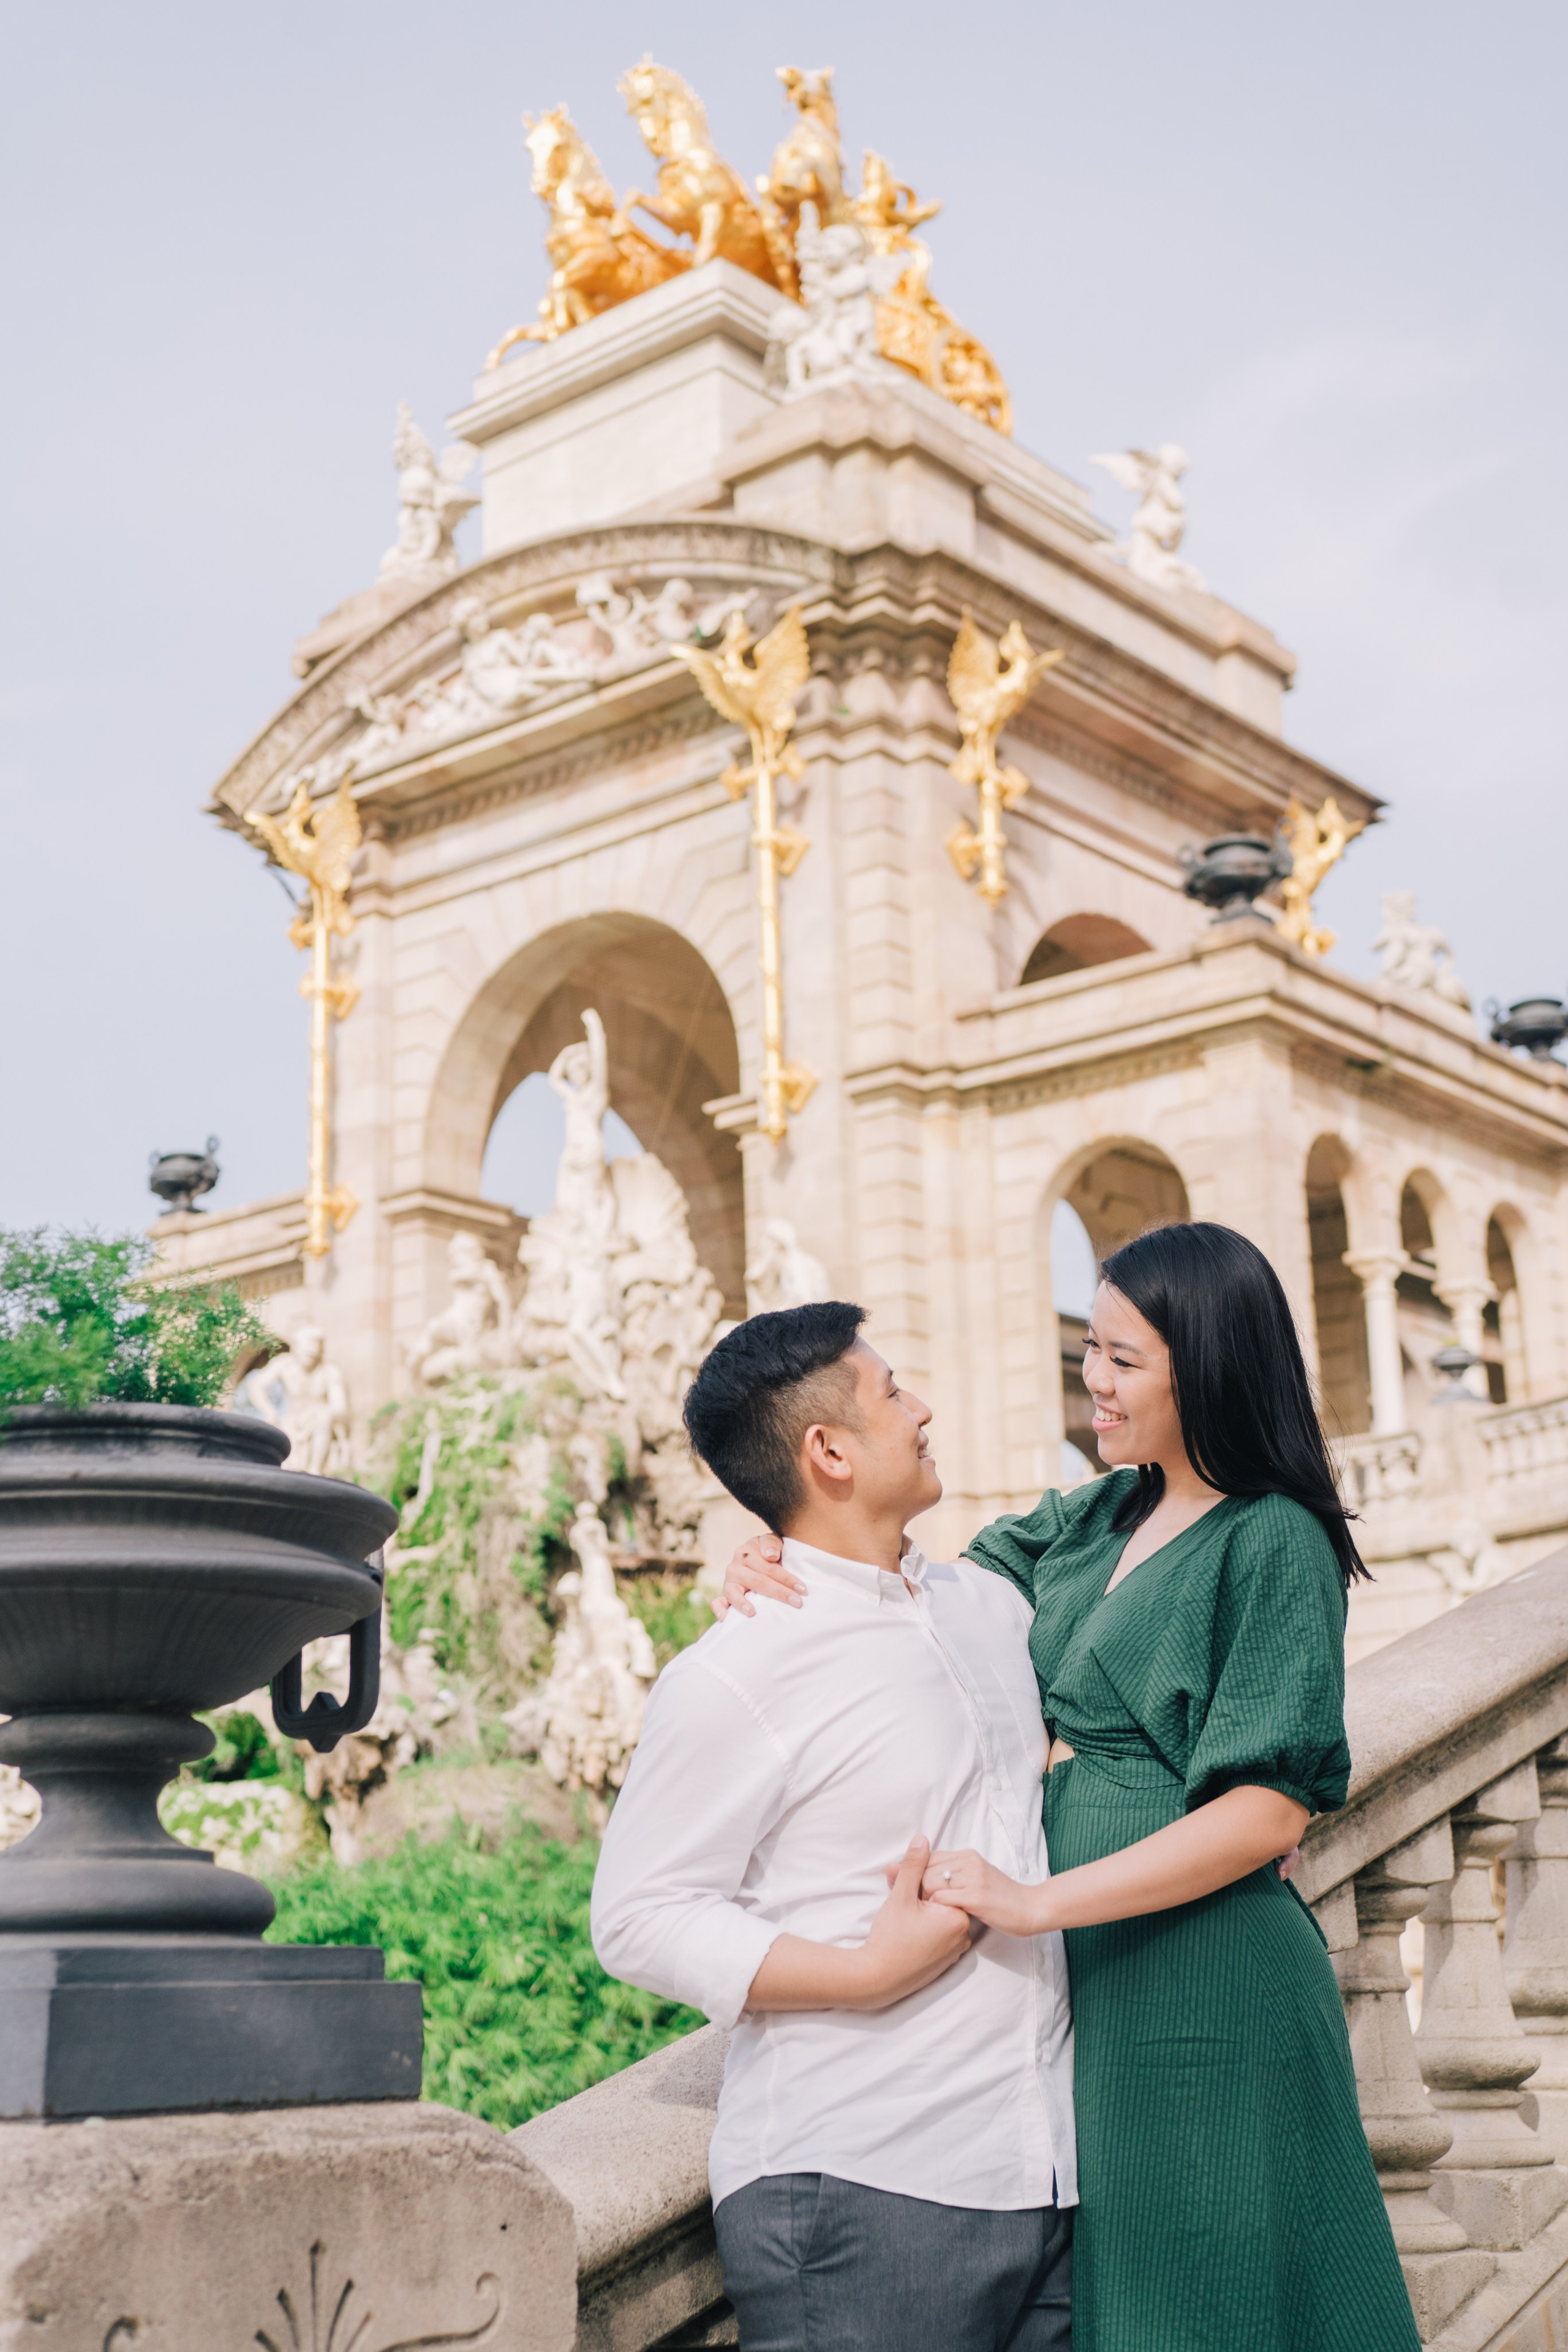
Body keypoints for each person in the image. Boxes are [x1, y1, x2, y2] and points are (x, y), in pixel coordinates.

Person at [720, 1223, 1420, 2352]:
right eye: (1091, 1348)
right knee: (1140, 2299)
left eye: (1124, 1361)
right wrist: (777, 1551)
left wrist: (1034, 1900)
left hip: (1208, 1968)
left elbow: (1268, 1810)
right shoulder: (1093, 1517)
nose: (1090, 1379)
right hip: (1098, 1977)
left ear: (1213, 1368)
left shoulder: (1274, 1538)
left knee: (1215, 2296)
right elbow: (916, 1593)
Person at [592, 1302, 1077, 2352]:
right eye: (895, 1392)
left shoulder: (990, 1609)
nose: (924, 1408)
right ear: (829, 1450)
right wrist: (862, 1971)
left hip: (1049, 2173)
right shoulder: (740, 1665)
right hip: (862, 2185)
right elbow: (637, 1915)